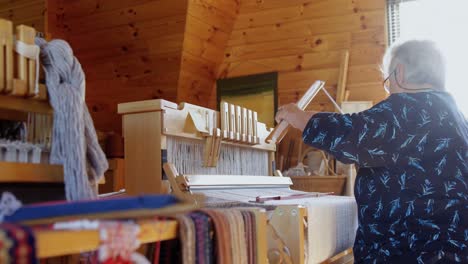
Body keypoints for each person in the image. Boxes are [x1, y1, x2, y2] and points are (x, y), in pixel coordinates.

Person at [275, 40, 467, 263]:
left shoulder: (406, 108)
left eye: (387, 82)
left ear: (400, 73)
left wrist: (299, 117)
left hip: (410, 253)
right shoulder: (455, 116)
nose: (388, 92)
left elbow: (353, 133)